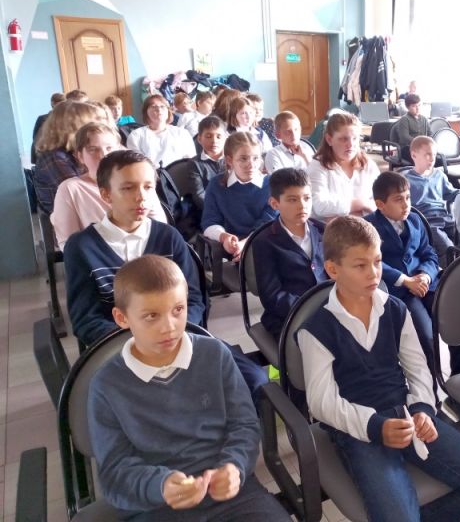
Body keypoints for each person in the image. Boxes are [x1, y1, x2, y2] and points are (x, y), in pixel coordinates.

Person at [297, 216, 460, 522]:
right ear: (333, 269)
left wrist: (422, 409)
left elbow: (418, 368)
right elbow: (321, 402)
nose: (373, 273)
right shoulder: (316, 329)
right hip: (358, 428)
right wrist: (375, 427)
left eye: (377, 261)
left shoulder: (395, 309)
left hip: (405, 413)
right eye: (360, 265)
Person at [87, 255, 290, 522]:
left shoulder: (214, 354)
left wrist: (234, 466)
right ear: (121, 318)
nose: (169, 327)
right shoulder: (106, 385)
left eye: (178, 310)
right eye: (151, 316)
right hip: (156, 506)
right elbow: (114, 472)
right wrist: (160, 485)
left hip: (230, 495)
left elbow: (244, 425)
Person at [64, 150, 204, 346]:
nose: (141, 197)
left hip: (175, 340)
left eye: (148, 187)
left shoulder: (169, 237)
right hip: (119, 348)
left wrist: (174, 334)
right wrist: (141, 343)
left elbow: (194, 299)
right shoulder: (82, 247)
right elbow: (86, 320)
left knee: (239, 364)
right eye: (128, 188)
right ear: (106, 194)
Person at [366, 172, 460, 382]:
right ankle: (430, 386)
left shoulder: (415, 220)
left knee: (459, 322)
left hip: (426, 284)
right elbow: (372, 261)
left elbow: (429, 253)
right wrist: (405, 280)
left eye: (408, 197)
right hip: (399, 291)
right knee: (426, 336)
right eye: (398, 199)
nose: (406, 204)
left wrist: (426, 275)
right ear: (380, 204)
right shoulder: (369, 227)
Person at [51, 122, 165, 249]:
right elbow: (68, 243)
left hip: (145, 251)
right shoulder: (70, 189)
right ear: (80, 156)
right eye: (93, 150)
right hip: (98, 255)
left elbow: (160, 227)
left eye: (109, 148)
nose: (103, 156)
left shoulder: (139, 182)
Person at [251, 168, 327, 342]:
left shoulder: (323, 231)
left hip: (329, 309)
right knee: (322, 345)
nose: (302, 205)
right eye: (293, 200)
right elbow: (272, 297)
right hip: (288, 317)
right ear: (274, 204)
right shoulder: (264, 242)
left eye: (307, 198)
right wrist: (313, 309)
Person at [201, 132, 277, 262]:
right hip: (230, 246)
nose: (251, 164)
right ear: (229, 160)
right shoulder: (216, 185)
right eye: (243, 159)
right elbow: (209, 222)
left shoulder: (271, 185)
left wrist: (246, 244)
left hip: (265, 243)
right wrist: (224, 237)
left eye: (255, 158)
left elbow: (268, 223)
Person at [307, 110, 380, 221]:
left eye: (355, 138)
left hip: (367, 226)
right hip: (328, 230)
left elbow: (381, 202)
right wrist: (361, 204)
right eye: (343, 139)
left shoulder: (368, 165)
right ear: (329, 140)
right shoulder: (317, 166)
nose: (350, 144)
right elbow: (319, 206)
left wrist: (338, 211)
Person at [33, 100, 102, 214]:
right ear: (75, 127)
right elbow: (82, 194)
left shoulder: (73, 151)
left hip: (85, 212)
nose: (97, 127)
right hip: (69, 219)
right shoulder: (55, 158)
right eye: (92, 123)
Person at [403, 136, 460, 262]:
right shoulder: (406, 180)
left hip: (445, 217)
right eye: (427, 154)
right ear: (414, 155)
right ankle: (449, 271)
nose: (432, 158)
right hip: (426, 222)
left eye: (434, 154)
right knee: (447, 247)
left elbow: (451, 193)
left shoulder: (439, 175)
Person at [127, 95, 196, 167]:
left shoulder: (182, 133)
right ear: (146, 112)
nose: (159, 110)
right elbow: (136, 164)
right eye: (153, 106)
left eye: (162, 106)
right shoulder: (136, 135)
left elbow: (190, 161)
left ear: (168, 111)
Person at [186, 115, 227, 217]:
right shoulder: (194, 163)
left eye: (219, 136)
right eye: (208, 136)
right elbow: (199, 195)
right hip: (209, 212)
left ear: (225, 138)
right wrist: (219, 211)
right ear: (199, 139)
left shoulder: (233, 159)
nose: (214, 141)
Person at [393, 93, 430, 162]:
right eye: (414, 106)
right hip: (407, 148)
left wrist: (429, 143)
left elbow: (429, 133)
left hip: (422, 148)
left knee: (439, 159)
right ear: (408, 107)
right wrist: (420, 143)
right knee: (423, 159)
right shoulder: (404, 119)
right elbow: (404, 137)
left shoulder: (424, 119)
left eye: (419, 105)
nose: (417, 108)